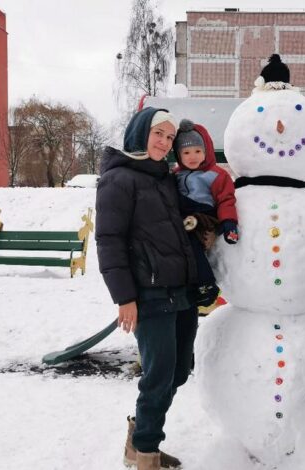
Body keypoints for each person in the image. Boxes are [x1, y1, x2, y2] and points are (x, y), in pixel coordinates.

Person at [95, 107, 198, 470]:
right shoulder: (118, 179)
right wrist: (124, 297)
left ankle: (138, 438)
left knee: (180, 370)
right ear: (141, 133)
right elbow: (109, 241)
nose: (165, 143)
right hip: (150, 294)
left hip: (180, 291)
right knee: (158, 375)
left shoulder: (164, 178)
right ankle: (147, 454)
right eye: (159, 134)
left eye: (170, 138)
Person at [172, 118, 238, 307]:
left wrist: (229, 223)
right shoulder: (176, 175)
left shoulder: (216, 174)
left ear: (206, 151)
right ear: (178, 154)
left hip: (206, 216)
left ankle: (206, 284)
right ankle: (191, 282)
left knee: (193, 243)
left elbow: (226, 199)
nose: (192, 156)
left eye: (197, 151)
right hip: (185, 216)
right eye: (186, 152)